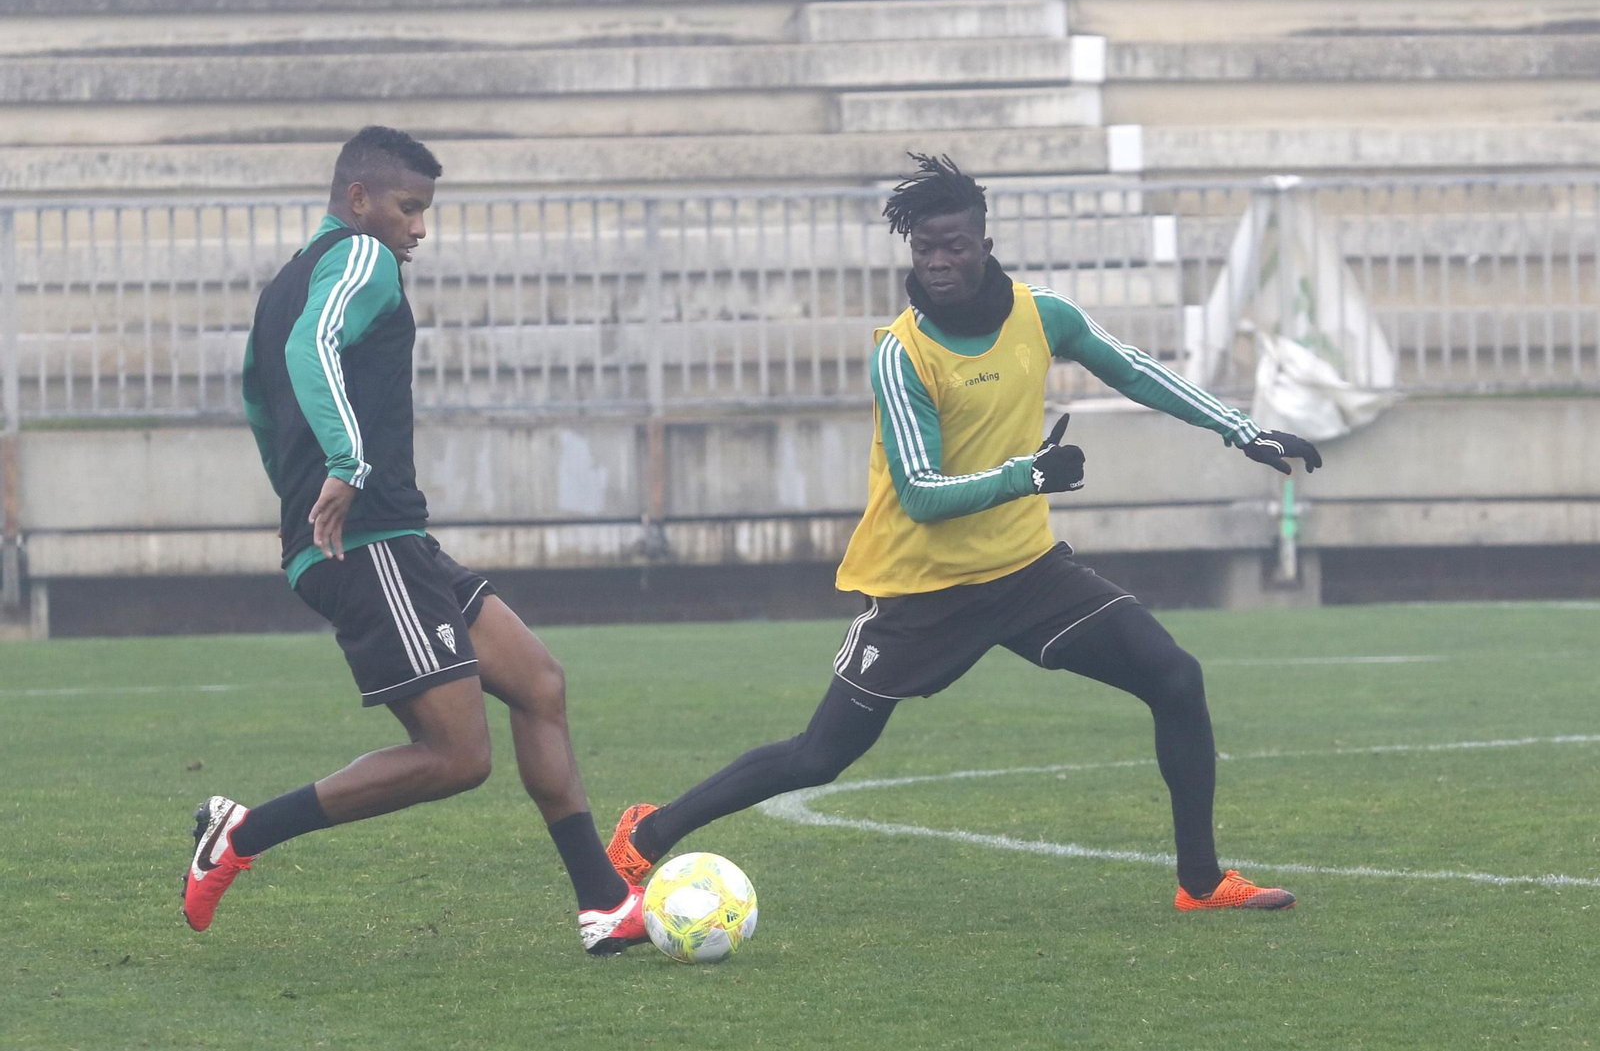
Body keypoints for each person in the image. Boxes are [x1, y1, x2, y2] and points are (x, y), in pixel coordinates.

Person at [607, 153, 1322, 912]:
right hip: (924, 590)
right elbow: (919, 492)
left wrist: (1243, 431)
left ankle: (1201, 882)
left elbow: (1138, 369)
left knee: (1175, 677)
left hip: (1028, 573)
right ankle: (646, 834)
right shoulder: (902, 352)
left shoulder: (1042, 315)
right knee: (819, 756)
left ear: (984, 241)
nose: (939, 262)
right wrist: (1028, 475)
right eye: (924, 249)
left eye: (953, 245)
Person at [184, 126, 647, 955]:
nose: (419, 228)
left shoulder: (280, 284)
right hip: (370, 542)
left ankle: (605, 903)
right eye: (410, 207)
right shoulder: (362, 258)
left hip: (384, 538)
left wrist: (301, 506)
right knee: (457, 755)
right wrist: (345, 466)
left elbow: (256, 402)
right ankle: (241, 833)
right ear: (359, 200)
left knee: (539, 682)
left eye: (425, 210)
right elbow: (309, 348)